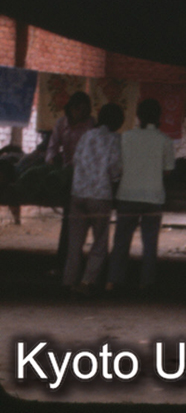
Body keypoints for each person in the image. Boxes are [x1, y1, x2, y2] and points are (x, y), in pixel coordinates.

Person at [107, 98, 176, 293]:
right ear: (159, 116)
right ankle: (146, 283)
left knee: (121, 241)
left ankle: (113, 281)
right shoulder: (165, 140)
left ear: (138, 116)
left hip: (127, 195)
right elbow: (168, 171)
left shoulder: (126, 137)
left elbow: (118, 167)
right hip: (153, 198)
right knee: (150, 244)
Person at [62, 103, 123, 296]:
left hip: (78, 193)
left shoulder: (87, 136)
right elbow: (115, 169)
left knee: (75, 242)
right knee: (100, 242)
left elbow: (76, 160)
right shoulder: (115, 140)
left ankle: (69, 280)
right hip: (100, 196)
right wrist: (114, 181)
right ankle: (87, 281)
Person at [47, 91, 95, 269]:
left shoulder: (91, 125)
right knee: (68, 221)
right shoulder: (61, 123)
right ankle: (64, 260)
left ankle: (74, 262)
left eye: (84, 110)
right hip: (67, 175)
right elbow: (52, 148)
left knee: (79, 223)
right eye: (77, 109)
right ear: (71, 109)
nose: (80, 113)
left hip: (86, 176)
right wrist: (52, 160)